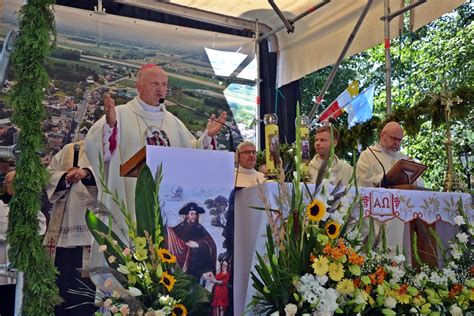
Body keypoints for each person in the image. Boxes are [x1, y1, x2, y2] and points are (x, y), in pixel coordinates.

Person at [85, 64, 227, 242]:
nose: (161, 90)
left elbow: (191, 152)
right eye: (155, 84)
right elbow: (95, 148)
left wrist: (207, 137)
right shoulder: (120, 115)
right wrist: (111, 127)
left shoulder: (172, 122)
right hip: (129, 195)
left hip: (165, 201)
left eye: (164, 84)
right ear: (139, 87)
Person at [43, 141, 98, 315]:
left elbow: (111, 179)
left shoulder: (107, 150)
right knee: (60, 288)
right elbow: (48, 175)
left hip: (89, 235)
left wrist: (87, 174)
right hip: (62, 233)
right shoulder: (69, 149)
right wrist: (64, 178)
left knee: (83, 295)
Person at [356, 121, 423, 251]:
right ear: (382, 136)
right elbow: (363, 179)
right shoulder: (368, 155)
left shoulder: (404, 159)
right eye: (394, 138)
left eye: (400, 140)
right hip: (378, 211)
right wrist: (386, 178)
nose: (397, 143)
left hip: (405, 212)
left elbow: (420, 182)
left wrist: (413, 179)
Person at [0, 171, 47, 316]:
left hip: (21, 269)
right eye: (10, 182)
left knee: (15, 306)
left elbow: (40, 228)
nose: (14, 185)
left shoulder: (30, 206)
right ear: (4, 184)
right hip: (1, 262)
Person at [166, 202, 217, 280]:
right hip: (184, 266)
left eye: (195, 214)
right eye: (191, 214)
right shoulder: (180, 228)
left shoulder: (199, 228)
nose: (194, 216)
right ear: (187, 215)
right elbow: (173, 238)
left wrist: (198, 244)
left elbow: (211, 244)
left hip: (197, 267)